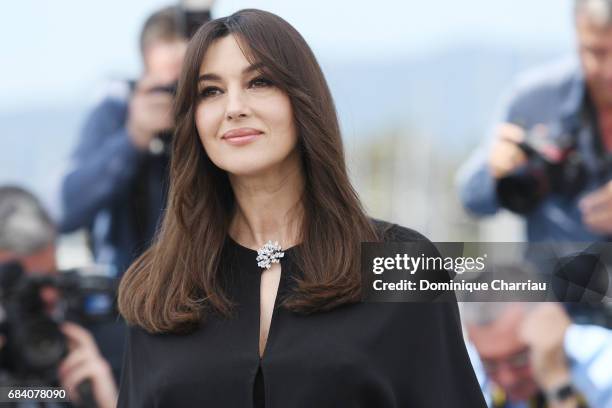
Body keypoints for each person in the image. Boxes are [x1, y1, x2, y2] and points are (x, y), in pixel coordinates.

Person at [115, 9, 487, 407]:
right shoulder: (162, 287)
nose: (234, 107)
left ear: (302, 100)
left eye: (259, 82)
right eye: (211, 91)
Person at [59, 5, 211, 277]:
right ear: (145, 68)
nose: (177, 94)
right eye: (170, 83)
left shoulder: (215, 110)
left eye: (189, 79)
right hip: (131, 284)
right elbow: (70, 207)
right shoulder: (117, 111)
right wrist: (134, 136)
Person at [457, 0, 612, 242]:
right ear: (577, 38)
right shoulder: (534, 98)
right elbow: (471, 198)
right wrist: (497, 169)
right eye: (597, 52)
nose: (609, 70)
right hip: (551, 275)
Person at [0, 186, 118, 408]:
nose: (47, 296)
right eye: (21, 289)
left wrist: (109, 402)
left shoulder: (92, 332)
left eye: (49, 278)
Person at [464, 302, 612, 408]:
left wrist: (557, 382)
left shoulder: (602, 363)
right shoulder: (471, 363)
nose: (507, 379)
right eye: (490, 364)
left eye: (519, 360)